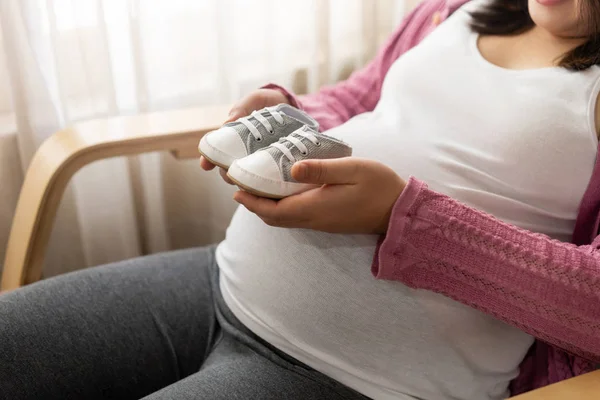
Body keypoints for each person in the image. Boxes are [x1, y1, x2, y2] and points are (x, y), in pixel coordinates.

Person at [2, 0, 600, 398]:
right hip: (219, 284)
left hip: (354, 376)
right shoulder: (463, 10)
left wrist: (403, 219)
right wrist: (289, 113)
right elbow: (357, 101)